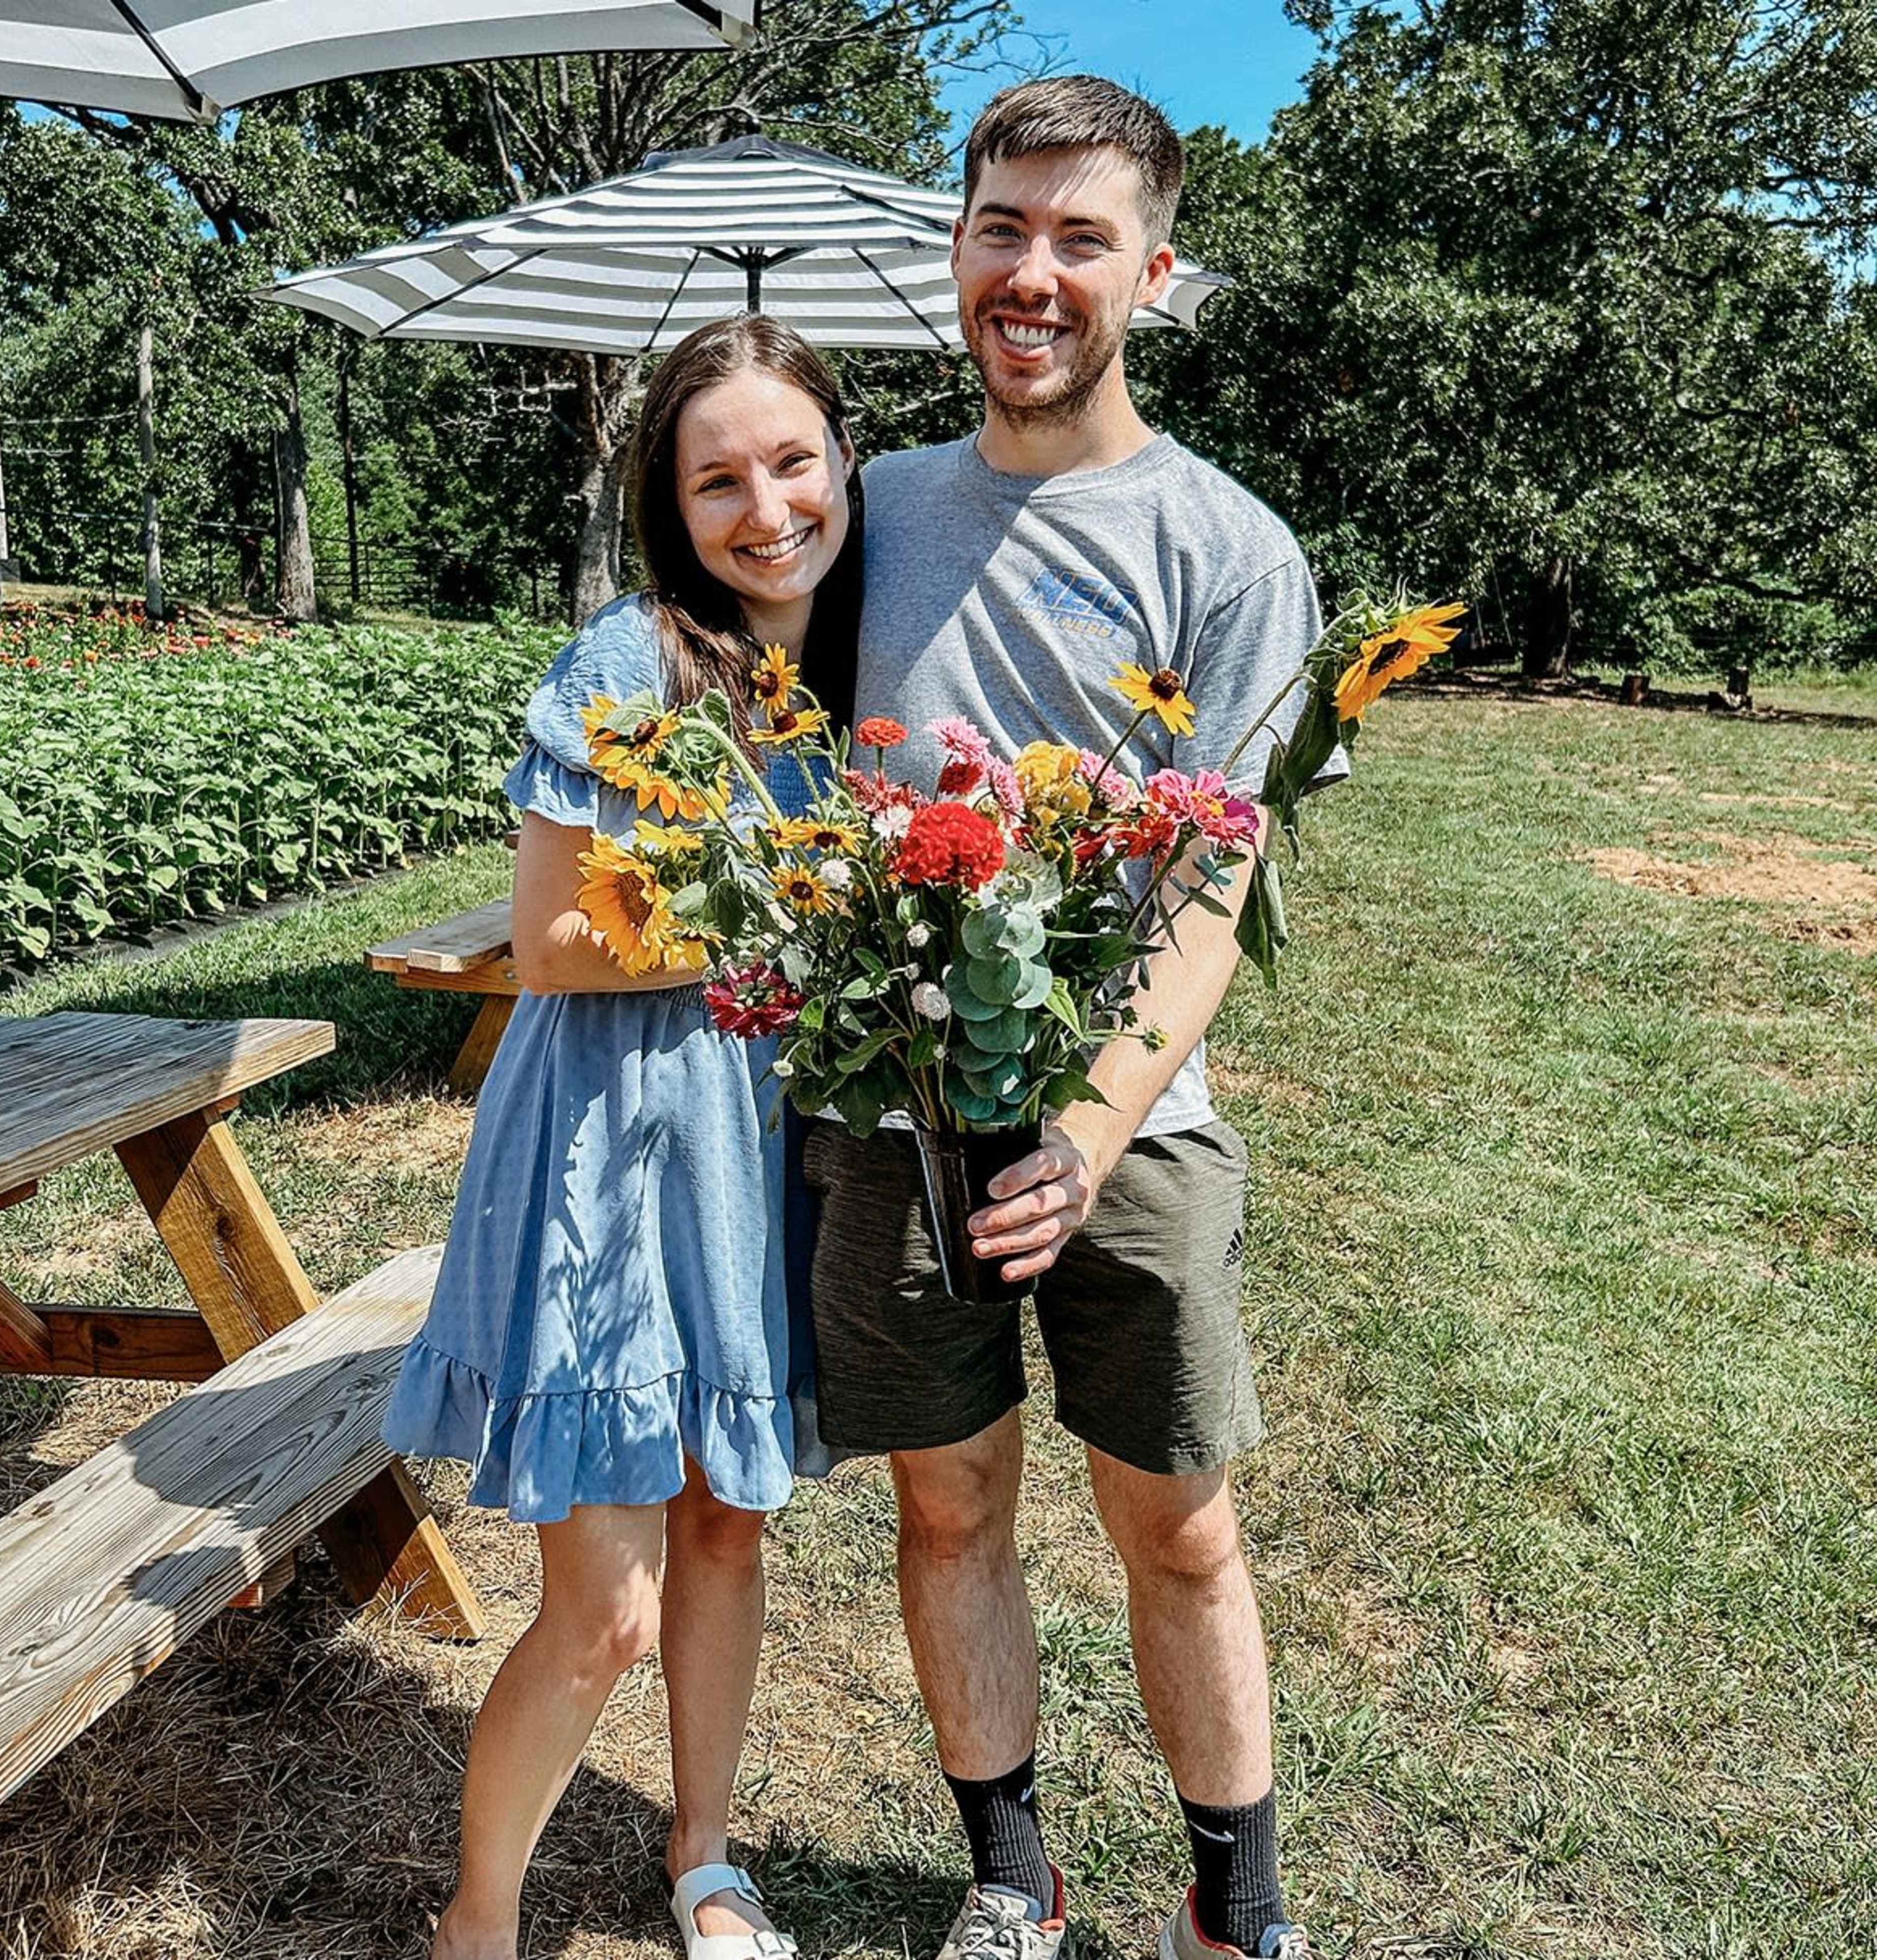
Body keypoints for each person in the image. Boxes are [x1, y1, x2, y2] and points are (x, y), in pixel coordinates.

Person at [802, 76, 1341, 1960]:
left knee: (1179, 1522)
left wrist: (1091, 1129)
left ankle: (1235, 1907)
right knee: (949, 1509)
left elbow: (1213, 892)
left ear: (1154, 271)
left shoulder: (1230, 550)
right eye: (1000, 229)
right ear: (955, 251)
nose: (1032, 275)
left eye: (1079, 238)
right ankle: (1009, 1878)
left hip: (1134, 1123)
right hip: (887, 1109)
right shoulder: (860, 518)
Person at [384, 314, 861, 1960]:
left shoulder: (831, 679)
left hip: (752, 1151)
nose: (766, 505)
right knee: (603, 1612)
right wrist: (796, 917)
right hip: (610, 1147)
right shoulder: (629, 659)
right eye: (717, 476)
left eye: (793, 460)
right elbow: (547, 941)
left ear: (844, 463)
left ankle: (706, 1855)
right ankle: (480, 1914)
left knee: (729, 1516)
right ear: (673, 503)